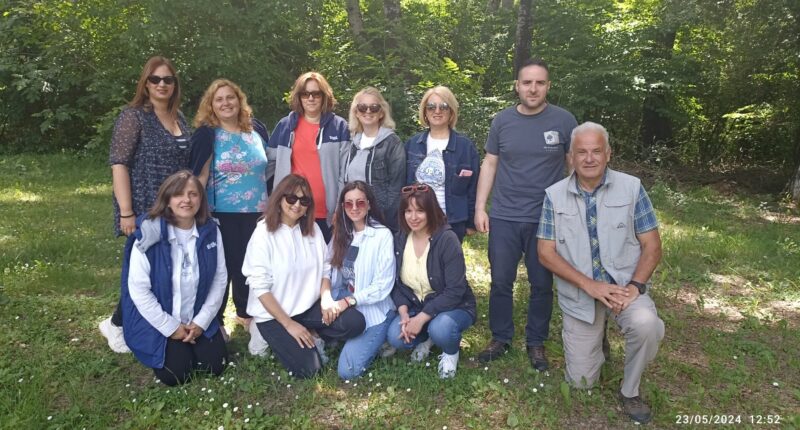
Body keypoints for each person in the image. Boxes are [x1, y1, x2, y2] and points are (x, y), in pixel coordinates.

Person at [537, 122, 664, 424]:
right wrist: (589, 285)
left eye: (596, 151)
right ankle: (599, 339)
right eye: (581, 152)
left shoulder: (632, 188)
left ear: (608, 154)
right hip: (580, 294)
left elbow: (652, 245)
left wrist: (635, 286)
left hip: (623, 288)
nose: (589, 158)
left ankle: (630, 390)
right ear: (571, 157)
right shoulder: (554, 195)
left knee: (647, 325)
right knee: (581, 382)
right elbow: (545, 252)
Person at [474, 58, 578, 370]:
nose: (533, 88)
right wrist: (480, 207)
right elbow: (490, 163)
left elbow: (574, 166)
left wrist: (576, 209)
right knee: (500, 281)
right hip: (505, 215)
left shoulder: (564, 121)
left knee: (541, 284)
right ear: (517, 86)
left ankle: (536, 342)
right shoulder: (502, 121)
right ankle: (500, 337)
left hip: (546, 218)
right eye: (527, 82)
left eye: (540, 83)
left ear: (548, 86)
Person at [100, 56, 192, 354]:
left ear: (174, 84)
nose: (162, 84)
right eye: (155, 79)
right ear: (146, 83)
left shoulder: (180, 118)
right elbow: (119, 164)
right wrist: (127, 212)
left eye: (168, 80)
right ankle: (116, 324)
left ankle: (159, 322)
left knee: (164, 270)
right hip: (145, 207)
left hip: (176, 209)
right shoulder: (134, 117)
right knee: (141, 271)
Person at [242, 174, 365, 378]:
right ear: (279, 198)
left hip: (307, 307)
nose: (297, 205)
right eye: (291, 198)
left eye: (304, 200)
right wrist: (289, 324)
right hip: (273, 314)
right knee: (310, 370)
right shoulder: (263, 234)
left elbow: (325, 268)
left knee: (355, 322)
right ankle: (261, 331)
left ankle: (311, 330)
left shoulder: (312, 229)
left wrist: (326, 299)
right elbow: (260, 287)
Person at [119, 171, 228, 386]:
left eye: (193, 194)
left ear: (201, 199)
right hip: (161, 320)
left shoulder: (211, 230)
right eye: (178, 194)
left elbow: (220, 279)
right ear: (167, 200)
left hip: (195, 317)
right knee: (176, 374)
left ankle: (194, 337)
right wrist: (171, 327)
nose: (186, 200)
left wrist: (201, 322)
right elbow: (139, 290)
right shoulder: (148, 233)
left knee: (216, 365)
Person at [189, 79, 270, 353]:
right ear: (211, 105)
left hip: (258, 214)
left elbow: (269, 168)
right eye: (219, 99)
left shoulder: (256, 130)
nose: (226, 103)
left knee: (252, 266)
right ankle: (215, 320)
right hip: (221, 213)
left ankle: (248, 315)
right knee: (221, 268)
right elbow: (198, 176)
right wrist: (196, 214)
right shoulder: (207, 134)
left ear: (239, 100)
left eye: (230, 97)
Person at [387, 183, 476, 378]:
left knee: (441, 328)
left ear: (431, 211)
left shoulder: (447, 239)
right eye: (408, 211)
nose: (413, 217)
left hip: (454, 306)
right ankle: (427, 339)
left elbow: (455, 290)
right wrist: (404, 314)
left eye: (420, 210)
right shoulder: (400, 238)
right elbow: (396, 283)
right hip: (416, 304)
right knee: (395, 337)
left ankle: (450, 352)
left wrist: (420, 319)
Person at [324, 181, 396, 379]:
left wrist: (348, 301)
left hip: (374, 309)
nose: (354, 208)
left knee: (347, 371)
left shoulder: (382, 235)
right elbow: (326, 266)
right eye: (349, 203)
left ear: (369, 204)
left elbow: (382, 286)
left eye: (360, 202)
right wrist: (326, 297)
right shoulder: (342, 233)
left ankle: (381, 337)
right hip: (344, 296)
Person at [269, 72, 350, 243]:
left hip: (327, 214)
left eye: (316, 94)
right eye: (305, 94)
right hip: (292, 209)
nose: (310, 98)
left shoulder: (339, 126)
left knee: (324, 259)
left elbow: (345, 172)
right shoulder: (285, 126)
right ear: (298, 97)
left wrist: (340, 206)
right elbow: (267, 164)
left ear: (324, 96)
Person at [405, 86, 479, 242]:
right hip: (416, 222)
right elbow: (403, 186)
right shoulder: (412, 145)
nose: (437, 111)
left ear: (451, 111)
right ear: (425, 111)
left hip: (451, 224)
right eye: (431, 106)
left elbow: (473, 188)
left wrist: (471, 222)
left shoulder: (465, 147)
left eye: (443, 106)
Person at [339, 87, 405, 232]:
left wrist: (384, 220)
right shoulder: (352, 143)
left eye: (374, 107)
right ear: (356, 112)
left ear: (381, 113)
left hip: (380, 221)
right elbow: (345, 182)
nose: (368, 111)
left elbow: (396, 189)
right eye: (362, 107)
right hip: (352, 219)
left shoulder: (392, 143)